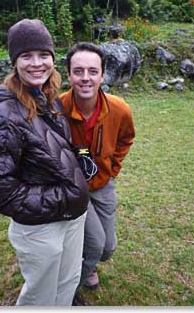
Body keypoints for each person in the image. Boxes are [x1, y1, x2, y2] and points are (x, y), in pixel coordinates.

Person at [0, 19, 89, 306]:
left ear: (53, 58)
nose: (36, 63)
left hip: (72, 218)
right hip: (41, 227)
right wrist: (63, 197)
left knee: (67, 284)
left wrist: (77, 160)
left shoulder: (49, 98)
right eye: (26, 56)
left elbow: (47, 149)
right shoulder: (3, 115)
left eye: (43, 55)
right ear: (15, 62)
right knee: (39, 299)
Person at [60, 42, 135, 302]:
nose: (85, 78)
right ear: (68, 74)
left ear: (103, 75)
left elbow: (127, 137)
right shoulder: (57, 108)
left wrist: (112, 168)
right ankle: (65, 292)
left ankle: (89, 265)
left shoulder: (119, 109)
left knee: (108, 247)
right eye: (78, 71)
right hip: (74, 187)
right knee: (95, 244)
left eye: (93, 71)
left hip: (103, 184)